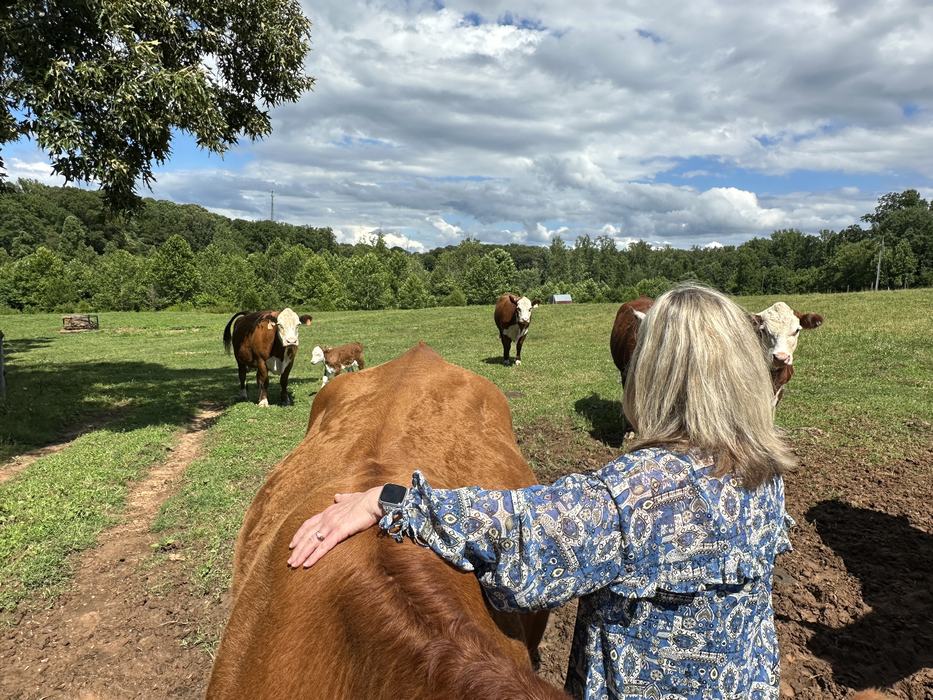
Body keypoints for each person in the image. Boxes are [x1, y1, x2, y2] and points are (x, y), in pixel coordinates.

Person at [287, 283, 796, 699]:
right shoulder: (762, 470)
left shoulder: (635, 495)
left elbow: (521, 535)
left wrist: (391, 500)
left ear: (654, 373)